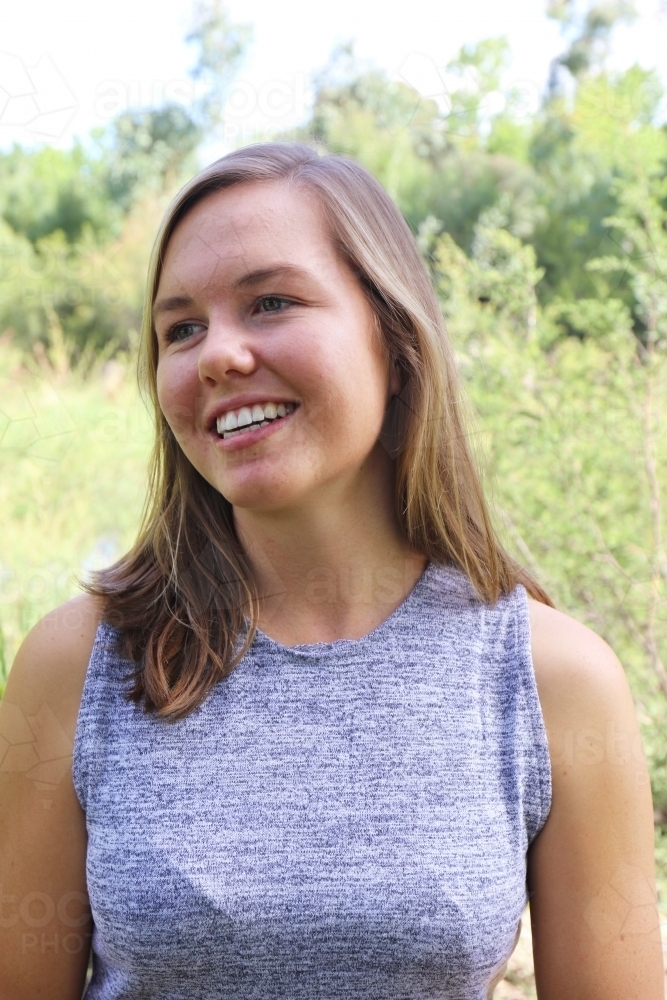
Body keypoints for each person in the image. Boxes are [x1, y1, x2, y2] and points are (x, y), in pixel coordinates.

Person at [0, 143, 662, 1000]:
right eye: (181, 328)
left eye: (270, 302)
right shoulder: (77, 664)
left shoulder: (553, 681)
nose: (216, 356)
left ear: (394, 338)